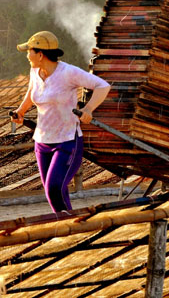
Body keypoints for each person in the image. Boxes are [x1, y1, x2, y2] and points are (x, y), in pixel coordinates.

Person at [11, 31, 110, 213]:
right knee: (53, 192)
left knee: (54, 188)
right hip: (42, 140)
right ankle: (65, 226)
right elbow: (32, 91)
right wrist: (21, 111)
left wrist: (88, 109)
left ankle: (67, 226)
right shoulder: (35, 71)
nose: (27, 55)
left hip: (67, 141)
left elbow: (103, 86)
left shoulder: (68, 72)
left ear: (40, 54)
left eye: (29, 51)